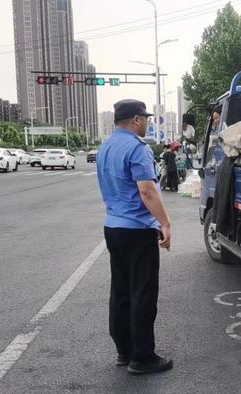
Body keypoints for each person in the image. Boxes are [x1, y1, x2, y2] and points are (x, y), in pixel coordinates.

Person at [96, 99, 173, 375]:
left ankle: (124, 350)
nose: (149, 123)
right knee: (142, 293)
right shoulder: (137, 148)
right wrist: (165, 223)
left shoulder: (105, 147)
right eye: (147, 119)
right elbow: (148, 192)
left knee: (121, 292)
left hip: (113, 228)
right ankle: (142, 357)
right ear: (137, 120)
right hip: (137, 230)